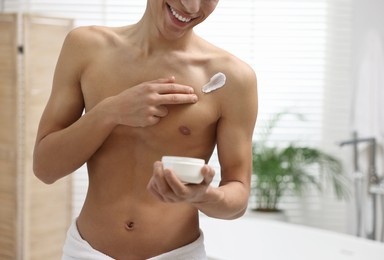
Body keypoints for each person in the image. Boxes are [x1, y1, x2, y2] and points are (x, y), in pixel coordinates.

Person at [33, 0, 258, 259]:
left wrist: (202, 196)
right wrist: (110, 112)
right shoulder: (86, 47)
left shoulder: (234, 79)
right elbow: (45, 168)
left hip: (178, 254)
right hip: (86, 252)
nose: (193, 7)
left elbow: (238, 196)